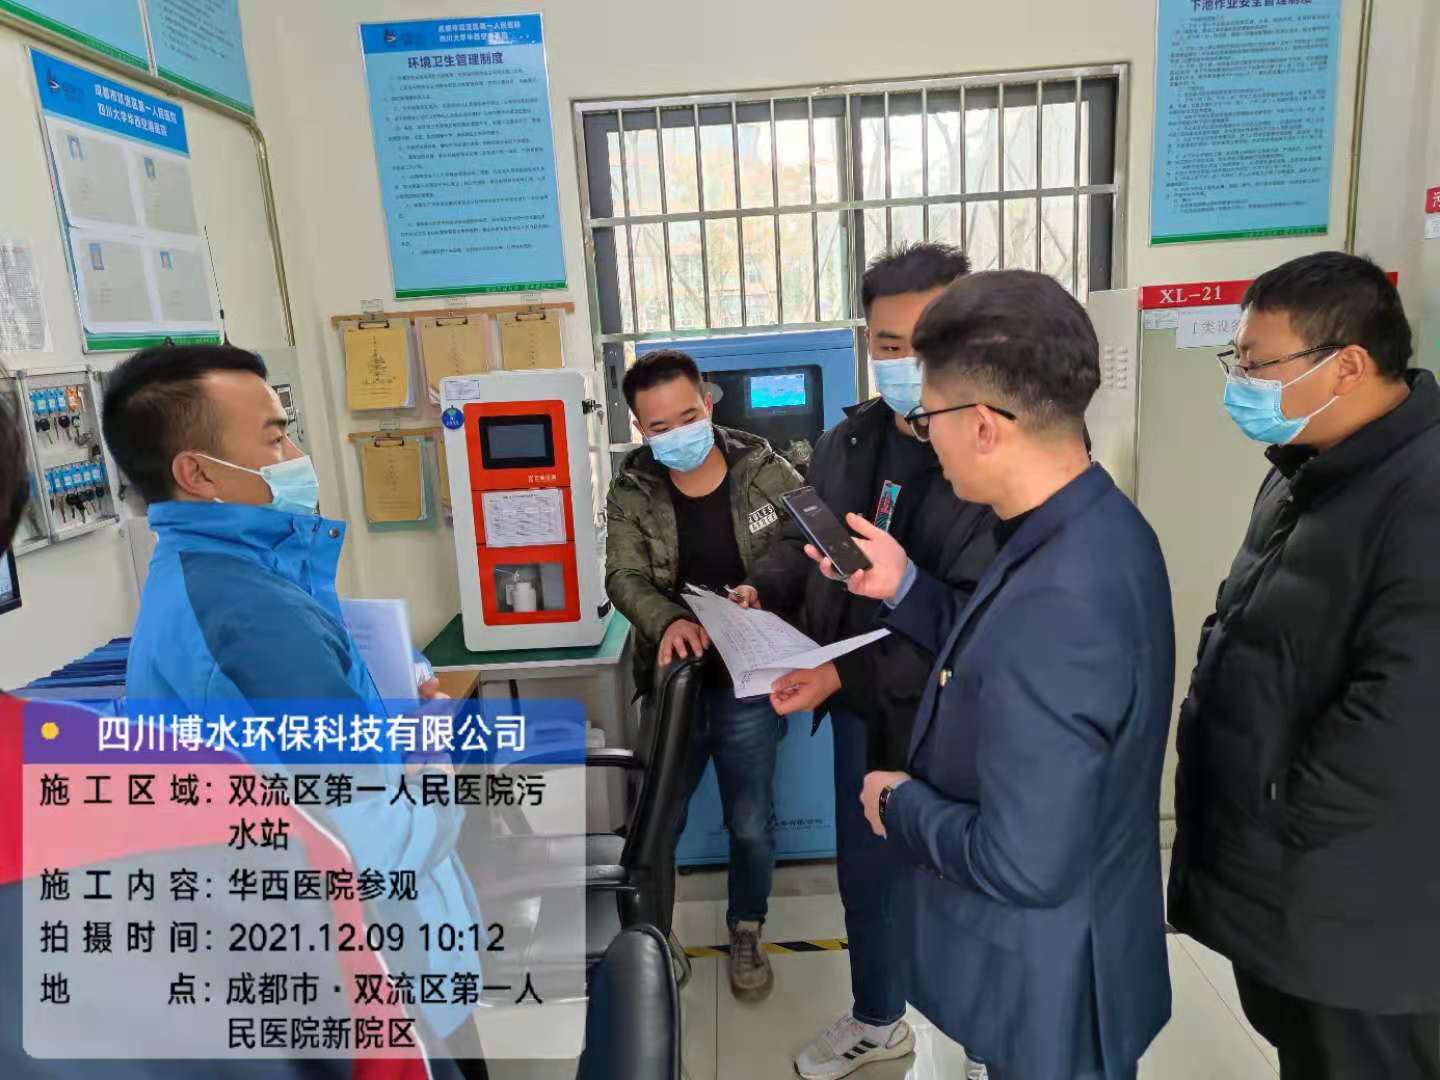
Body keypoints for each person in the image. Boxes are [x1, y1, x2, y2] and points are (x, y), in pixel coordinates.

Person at [824, 270, 1174, 1080]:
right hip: (1066, 948)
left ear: (982, 425)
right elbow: (994, 650)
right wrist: (905, 588)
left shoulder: (1063, 592)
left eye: (930, 418)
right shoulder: (1091, 524)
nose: (926, 437)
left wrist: (899, 803)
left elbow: (1022, 861)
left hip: (1054, 981)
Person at [99, 344, 485, 1076]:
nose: (296, 455)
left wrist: (387, 715)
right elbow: (365, 849)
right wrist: (435, 766)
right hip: (374, 978)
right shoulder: (249, 617)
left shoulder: (218, 576)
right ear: (198, 473)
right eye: (275, 437)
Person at [1168, 252, 1440, 1079]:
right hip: (1290, 892)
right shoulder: (1305, 471)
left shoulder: (1423, 494)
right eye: (1237, 360)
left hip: (1357, 911)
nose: (1240, 383)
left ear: (1347, 365)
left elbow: (1401, 722)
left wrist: (1278, 811)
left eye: (1257, 364)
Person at [737, 243, 998, 1080]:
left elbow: (978, 623)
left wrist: (838, 674)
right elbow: (806, 541)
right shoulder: (850, 440)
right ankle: (879, 1018)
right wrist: (765, 590)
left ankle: (993, 1043)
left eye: (928, 341)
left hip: (958, 718)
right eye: (889, 343)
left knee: (967, 883)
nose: (906, 361)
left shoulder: (998, 452)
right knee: (871, 875)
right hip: (863, 712)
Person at [604, 348, 802, 999]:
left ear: (708, 404)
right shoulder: (633, 489)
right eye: (660, 427)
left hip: (749, 683)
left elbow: (804, 541)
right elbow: (624, 575)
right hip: (674, 685)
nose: (678, 434)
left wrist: (762, 587)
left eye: (688, 417)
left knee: (751, 822)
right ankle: (654, 937)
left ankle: (746, 927)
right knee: (659, 820)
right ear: (641, 428)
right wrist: (668, 621)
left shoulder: (763, 471)